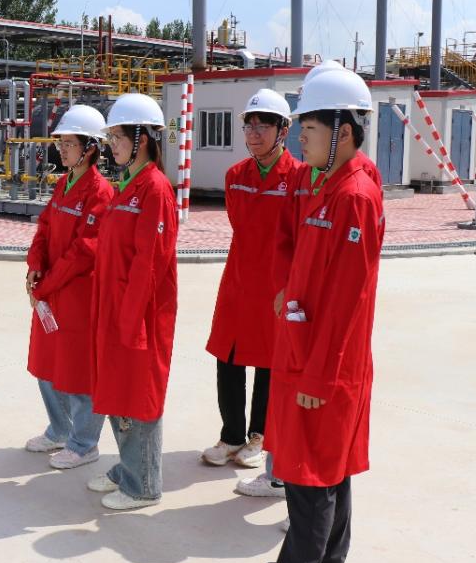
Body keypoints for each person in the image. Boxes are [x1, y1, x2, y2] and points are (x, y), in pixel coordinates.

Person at [264, 67, 385, 563]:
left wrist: (319, 374)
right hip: (307, 350)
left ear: (344, 132)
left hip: (323, 363)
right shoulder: (326, 185)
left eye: (309, 129)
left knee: (309, 477)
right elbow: (309, 263)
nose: (300, 138)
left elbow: (346, 301)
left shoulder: (353, 197)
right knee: (328, 472)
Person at [201, 89, 304, 501]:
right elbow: (239, 225)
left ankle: (259, 435)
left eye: (264, 125)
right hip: (239, 280)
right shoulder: (235, 176)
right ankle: (231, 435)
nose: (255, 133)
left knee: (269, 363)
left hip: (276, 285)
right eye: (249, 125)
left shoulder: (298, 178)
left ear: (284, 130)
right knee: (228, 356)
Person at [84, 93, 178, 510]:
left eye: (118, 137)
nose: (112, 146)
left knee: (139, 396)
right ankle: (128, 468)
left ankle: (144, 485)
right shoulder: (128, 185)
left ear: (142, 139)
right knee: (117, 391)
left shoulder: (155, 189)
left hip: (139, 316)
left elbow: (149, 264)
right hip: (115, 308)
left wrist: (131, 322)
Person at [24, 105, 114, 470]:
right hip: (50, 291)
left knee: (78, 371)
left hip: (76, 295)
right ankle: (60, 430)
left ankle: (84, 443)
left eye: (68, 143)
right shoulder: (63, 184)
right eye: (60, 143)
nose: (61, 149)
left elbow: (84, 251)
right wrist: (34, 266)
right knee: (47, 364)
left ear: (90, 148)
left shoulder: (100, 192)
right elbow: (45, 228)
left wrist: (45, 285)